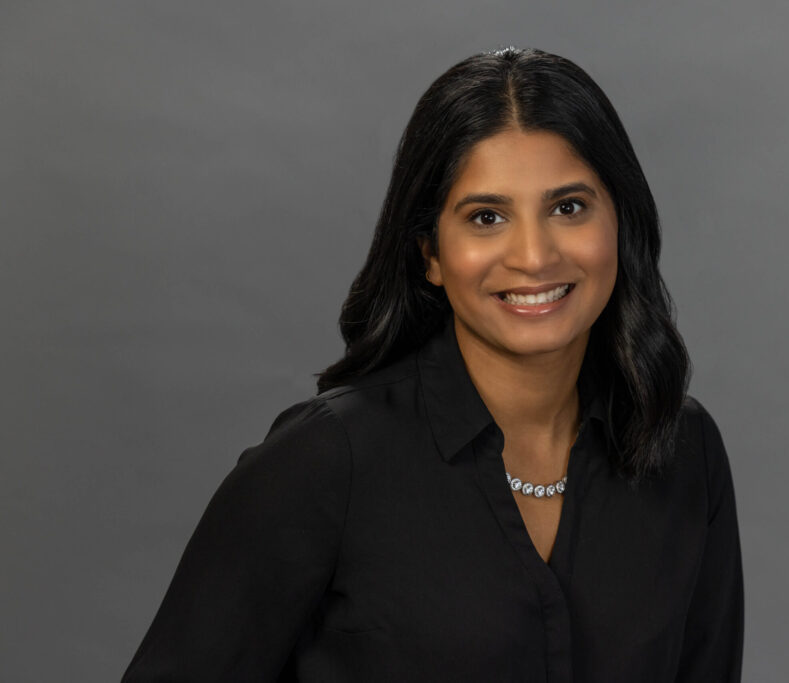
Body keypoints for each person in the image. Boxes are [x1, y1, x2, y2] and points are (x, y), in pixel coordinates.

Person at [122, 46, 743, 682]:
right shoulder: (325, 463)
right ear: (431, 255)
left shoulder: (683, 451)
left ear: (622, 223)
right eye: (487, 217)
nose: (533, 255)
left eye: (568, 207)